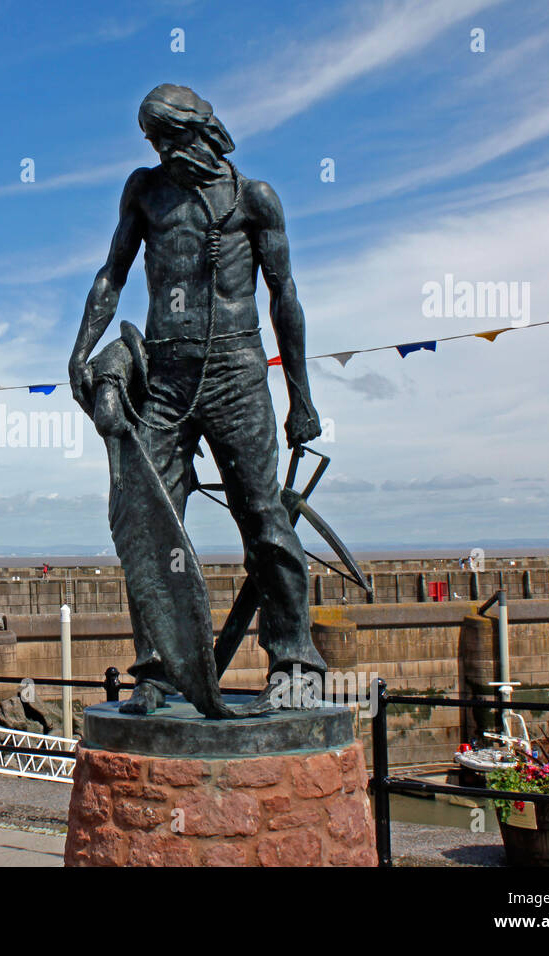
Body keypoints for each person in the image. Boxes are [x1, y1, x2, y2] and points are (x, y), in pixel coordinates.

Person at [69, 84, 324, 716]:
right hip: (164, 374)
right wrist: (81, 351)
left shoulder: (254, 198)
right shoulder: (145, 190)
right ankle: (160, 671)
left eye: (166, 138)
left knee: (264, 517)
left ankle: (294, 662)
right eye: (152, 141)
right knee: (147, 519)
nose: (159, 151)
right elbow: (113, 273)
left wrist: (302, 397)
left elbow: (284, 297)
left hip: (238, 371)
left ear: (200, 131)